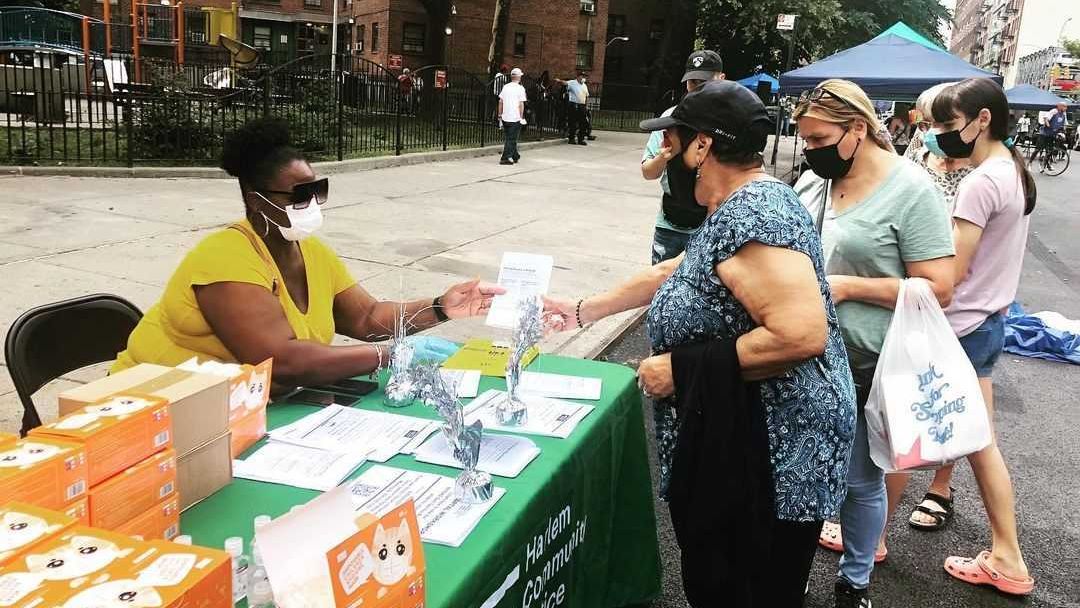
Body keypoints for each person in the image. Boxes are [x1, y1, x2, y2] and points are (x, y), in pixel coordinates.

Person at [546, 80, 856, 607]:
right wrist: (586, 308)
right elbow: (683, 269)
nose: (667, 153)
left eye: (673, 141)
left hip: (770, 449)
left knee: (746, 588)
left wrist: (683, 370)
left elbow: (800, 333)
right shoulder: (739, 204)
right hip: (742, 432)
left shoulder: (756, 214)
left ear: (703, 146)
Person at [112, 118, 503, 390]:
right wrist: (392, 354)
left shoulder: (310, 251)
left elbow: (366, 317)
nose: (313, 202)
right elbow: (282, 362)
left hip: (228, 409)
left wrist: (441, 307)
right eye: (300, 194)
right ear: (258, 202)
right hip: (152, 409)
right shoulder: (225, 259)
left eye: (318, 190)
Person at [792, 79, 955, 608]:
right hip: (806, 357)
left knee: (861, 479)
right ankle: (789, 572)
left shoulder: (912, 190)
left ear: (858, 128)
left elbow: (940, 287)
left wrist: (848, 287)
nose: (811, 151)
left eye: (820, 140)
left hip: (871, 363)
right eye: (805, 141)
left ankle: (854, 581)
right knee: (799, 473)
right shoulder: (812, 187)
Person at [886, 77, 1036, 596]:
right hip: (988, 323)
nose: (939, 137)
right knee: (979, 442)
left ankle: (870, 536)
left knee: (904, 430)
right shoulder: (1011, 171)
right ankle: (1007, 556)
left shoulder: (979, 182)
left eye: (948, 126)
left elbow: (948, 275)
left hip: (956, 328)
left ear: (983, 120)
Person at [639, 49, 725, 498]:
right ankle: (665, 368)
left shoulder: (726, 123)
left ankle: (694, 374)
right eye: (692, 82)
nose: (696, 88)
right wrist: (668, 153)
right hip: (670, 227)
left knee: (708, 307)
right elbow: (647, 171)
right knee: (664, 302)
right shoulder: (669, 121)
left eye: (704, 81)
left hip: (706, 227)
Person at [907, 82, 974, 212]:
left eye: (944, 124)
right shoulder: (915, 159)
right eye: (925, 125)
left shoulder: (982, 169)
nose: (933, 131)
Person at [498, 67, 528, 165]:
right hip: (515, 117)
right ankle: (505, 157)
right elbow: (521, 104)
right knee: (512, 138)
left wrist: (500, 114)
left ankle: (515, 155)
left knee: (510, 137)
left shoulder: (505, 87)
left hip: (505, 116)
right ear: (519, 77)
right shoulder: (521, 88)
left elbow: (500, 102)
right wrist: (521, 116)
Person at [1028, 101, 1068, 165]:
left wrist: (1063, 130)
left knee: (1050, 150)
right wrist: (1048, 124)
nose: (1066, 108)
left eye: (1066, 107)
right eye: (1064, 106)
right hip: (1044, 133)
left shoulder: (1063, 115)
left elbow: (1064, 124)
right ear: (1059, 106)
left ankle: (1047, 164)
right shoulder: (1054, 111)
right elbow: (1046, 118)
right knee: (1038, 149)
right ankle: (1030, 162)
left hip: (1052, 134)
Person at [565, 72, 590, 145]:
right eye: (582, 76)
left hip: (582, 106)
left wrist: (586, 106)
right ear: (578, 77)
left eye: (584, 77)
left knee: (583, 123)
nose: (584, 78)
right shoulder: (573, 83)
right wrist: (559, 81)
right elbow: (565, 83)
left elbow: (587, 96)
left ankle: (581, 139)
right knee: (572, 122)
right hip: (574, 105)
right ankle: (571, 138)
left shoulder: (584, 86)